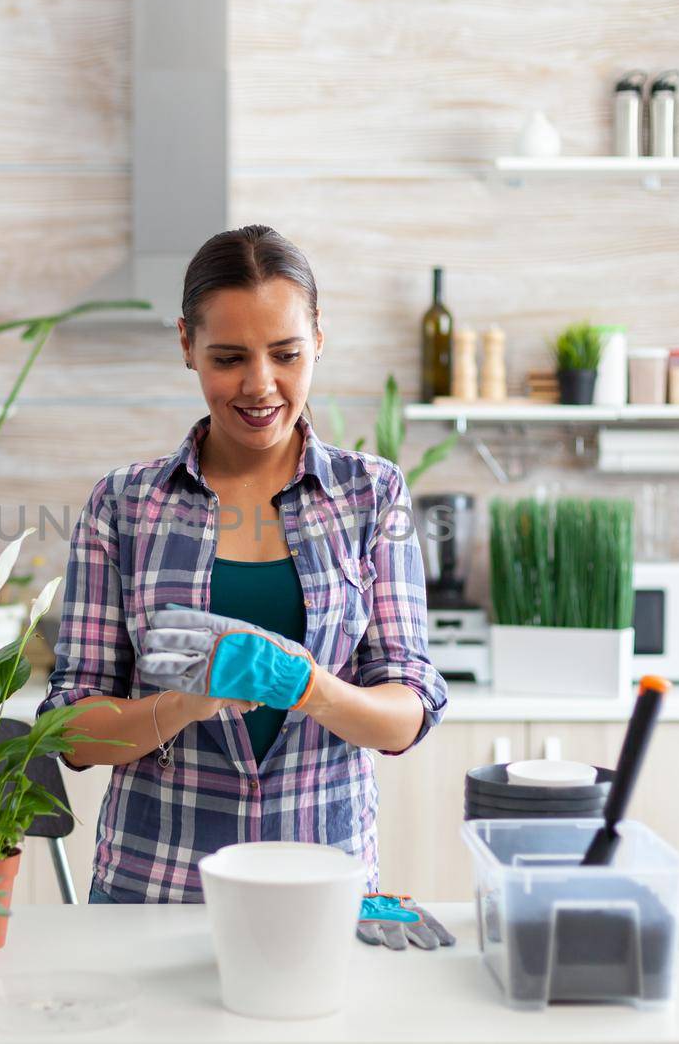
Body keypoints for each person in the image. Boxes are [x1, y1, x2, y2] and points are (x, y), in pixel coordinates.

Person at [35, 224, 447, 904]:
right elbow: (71, 732)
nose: (261, 385)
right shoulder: (125, 504)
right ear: (186, 347)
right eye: (229, 358)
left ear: (319, 338)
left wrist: (312, 687)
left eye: (286, 353)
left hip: (320, 883)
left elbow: (409, 709)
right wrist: (184, 705)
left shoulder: (372, 495)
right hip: (155, 886)